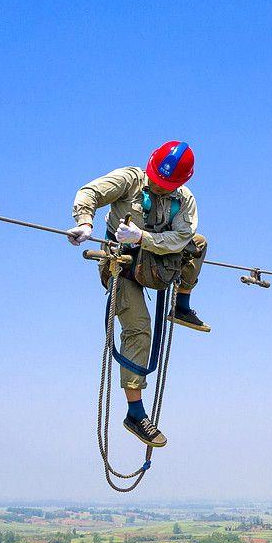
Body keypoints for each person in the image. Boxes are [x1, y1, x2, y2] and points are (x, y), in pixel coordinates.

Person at [67, 141, 209, 448]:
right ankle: (135, 412)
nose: (160, 186)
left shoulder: (182, 199)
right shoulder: (130, 180)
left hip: (155, 260)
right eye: (157, 179)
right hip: (122, 265)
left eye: (167, 183)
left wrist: (144, 237)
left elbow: (182, 236)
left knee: (198, 243)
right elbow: (89, 193)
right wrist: (85, 222)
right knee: (139, 329)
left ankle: (181, 305)